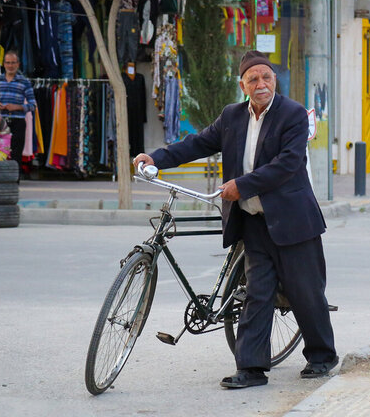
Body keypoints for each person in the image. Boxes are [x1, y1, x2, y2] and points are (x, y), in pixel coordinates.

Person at [134, 50, 338, 389]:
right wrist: (155, 158)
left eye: (267, 77)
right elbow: (196, 144)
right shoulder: (232, 116)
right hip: (254, 221)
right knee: (257, 294)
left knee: (306, 292)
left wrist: (240, 185)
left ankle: (321, 357)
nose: (261, 84)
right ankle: (252, 368)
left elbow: (287, 165)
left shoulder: (293, 115)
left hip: (293, 220)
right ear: (243, 84)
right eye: (253, 78)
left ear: (275, 80)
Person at [0, 50, 36, 178]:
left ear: (18, 64)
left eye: (13, 63)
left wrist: (18, 107)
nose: (10, 65)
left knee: (16, 152)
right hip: (0, 121)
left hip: (18, 121)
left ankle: (14, 179)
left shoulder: (24, 82)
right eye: (8, 63)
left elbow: (33, 105)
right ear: (4, 64)